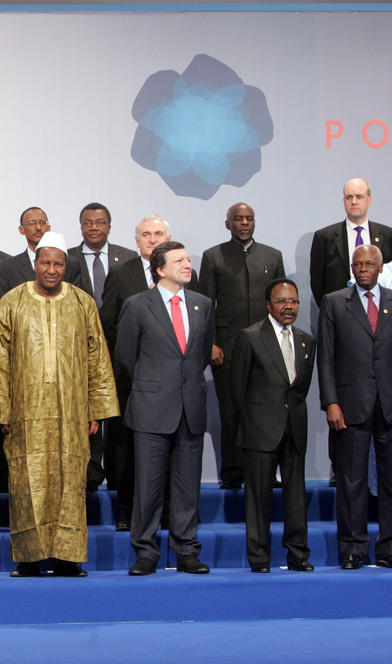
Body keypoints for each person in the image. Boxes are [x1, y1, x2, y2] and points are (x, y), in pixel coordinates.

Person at [0, 232, 118, 577]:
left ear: (66, 266)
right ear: (35, 264)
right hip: (24, 413)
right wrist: (3, 410)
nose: (51, 269)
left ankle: (68, 557)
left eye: (58, 263)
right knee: (25, 482)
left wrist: (96, 409)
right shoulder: (12, 302)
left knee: (70, 482)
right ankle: (30, 558)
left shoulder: (82, 303)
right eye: (45, 262)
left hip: (72, 411)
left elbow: (97, 357)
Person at [116, 241, 214, 576]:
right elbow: (126, 356)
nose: (188, 264)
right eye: (179, 260)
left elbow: (199, 357)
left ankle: (187, 549)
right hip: (151, 407)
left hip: (191, 407)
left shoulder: (202, 304)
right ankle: (145, 550)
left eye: (188, 259)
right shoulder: (137, 305)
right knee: (148, 486)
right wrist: (153, 385)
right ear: (160, 269)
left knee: (187, 487)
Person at [99, 215, 199, 532]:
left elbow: (197, 343)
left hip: (178, 389)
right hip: (135, 385)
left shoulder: (192, 289)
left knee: (177, 462)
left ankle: (171, 518)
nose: (152, 239)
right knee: (133, 456)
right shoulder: (122, 273)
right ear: (137, 241)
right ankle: (130, 513)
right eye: (146, 234)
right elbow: (113, 329)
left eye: (158, 234)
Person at [229, 279, 315, 572]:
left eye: (293, 301)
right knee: (258, 499)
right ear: (268, 305)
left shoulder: (306, 340)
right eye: (281, 302)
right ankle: (259, 557)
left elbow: (300, 389)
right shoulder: (250, 337)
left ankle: (298, 554)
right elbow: (236, 391)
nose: (288, 307)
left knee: (296, 497)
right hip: (259, 430)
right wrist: (253, 422)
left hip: (295, 428)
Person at [199, 202, 285, 489]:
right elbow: (206, 305)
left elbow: (280, 302)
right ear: (228, 224)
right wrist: (211, 343)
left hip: (266, 347)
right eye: (238, 219)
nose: (244, 223)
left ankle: (266, 472)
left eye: (249, 218)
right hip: (228, 347)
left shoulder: (272, 256)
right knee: (232, 411)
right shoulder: (213, 257)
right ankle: (233, 472)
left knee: (266, 411)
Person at [317, 244, 392, 569]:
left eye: (368, 264)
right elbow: (326, 359)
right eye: (357, 264)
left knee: (390, 481)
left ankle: (388, 549)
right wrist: (331, 402)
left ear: (379, 268)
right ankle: (353, 549)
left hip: (389, 405)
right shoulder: (334, 303)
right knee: (351, 481)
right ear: (352, 267)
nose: (363, 269)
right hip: (350, 405)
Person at [67, 203, 138, 492]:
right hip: (80, 348)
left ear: (109, 225)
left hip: (121, 348)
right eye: (87, 222)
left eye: (100, 222)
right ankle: (92, 472)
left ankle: (121, 476)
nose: (94, 227)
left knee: (119, 416)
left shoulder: (128, 259)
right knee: (88, 413)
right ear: (81, 226)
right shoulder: (68, 259)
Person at [310, 177, 392, 307]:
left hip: (379, 311)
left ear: (369, 200)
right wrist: (331, 311)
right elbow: (317, 283)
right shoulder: (325, 237)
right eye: (349, 197)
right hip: (340, 312)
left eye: (359, 197)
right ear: (344, 201)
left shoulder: (387, 235)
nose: (353, 202)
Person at [0, 207, 84, 304]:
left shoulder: (70, 263)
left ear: (48, 228)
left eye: (42, 223)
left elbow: (77, 302)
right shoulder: (9, 267)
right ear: (21, 229)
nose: (38, 227)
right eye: (32, 223)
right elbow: (2, 307)